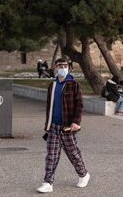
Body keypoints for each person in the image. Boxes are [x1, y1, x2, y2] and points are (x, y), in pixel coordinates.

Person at [36, 58, 90, 194]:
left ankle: (83, 174)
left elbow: (79, 105)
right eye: (60, 65)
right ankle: (47, 182)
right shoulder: (52, 85)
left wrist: (76, 122)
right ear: (55, 67)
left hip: (67, 126)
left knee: (73, 153)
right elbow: (49, 106)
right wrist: (47, 125)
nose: (63, 68)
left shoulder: (73, 84)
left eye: (65, 66)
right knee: (51, 155)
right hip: (53, 126)